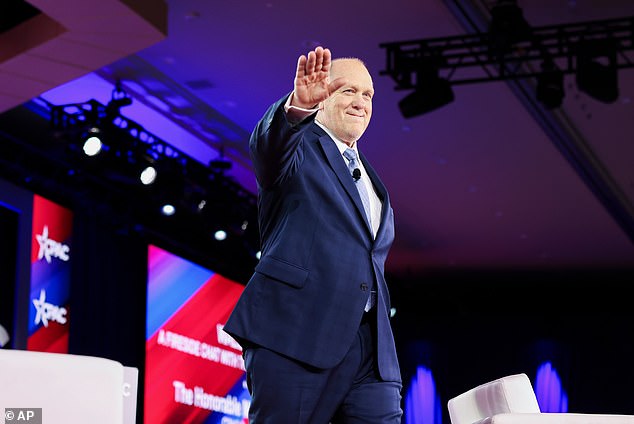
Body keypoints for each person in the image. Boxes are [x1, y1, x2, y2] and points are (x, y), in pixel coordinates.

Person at [224, 46, 402, 423]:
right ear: (322, 98)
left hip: (371, 349)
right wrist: (296, 108)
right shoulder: (299, 146)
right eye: (347, 90)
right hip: (296, 335)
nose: (360, 102)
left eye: (368, 94)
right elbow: (269, 148)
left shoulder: (372, 180)